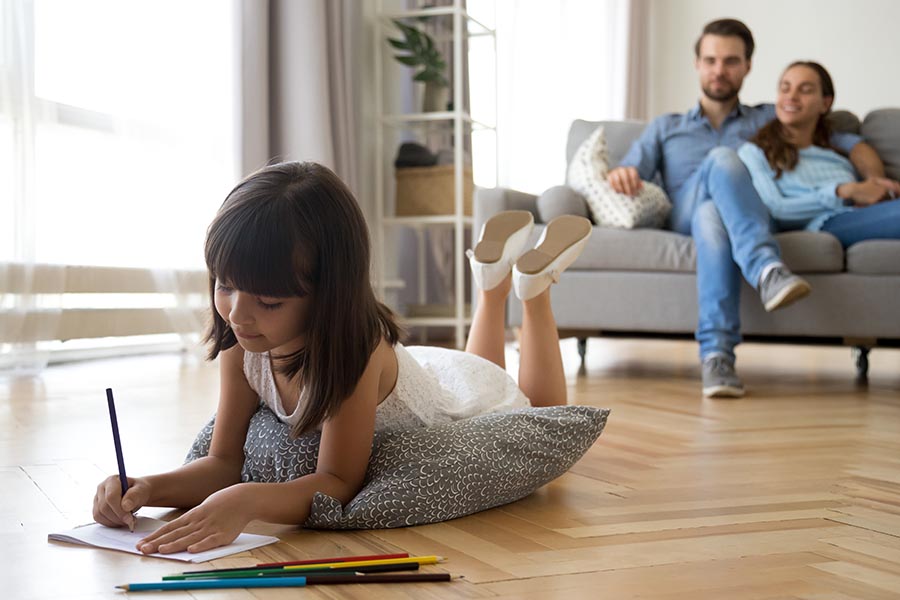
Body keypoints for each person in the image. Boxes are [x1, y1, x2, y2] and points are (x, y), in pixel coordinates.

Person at [92, 161, 592, 554]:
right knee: (479, 369)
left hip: (447, 407)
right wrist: (144, 487)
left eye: (268, 301)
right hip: (428, 372)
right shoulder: (240, 340)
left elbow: (338, 482)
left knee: (533, 403)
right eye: (225, 285)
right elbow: (223, 462)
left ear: (328, 294)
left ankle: (532, 291)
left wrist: (248, 500)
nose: (237, 313)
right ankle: (491, 285)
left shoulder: (354, 350)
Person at [605, 19, 888, 398]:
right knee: (720, 162)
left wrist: (874, 180)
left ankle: (717, 358)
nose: (719, 70)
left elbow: (849, 140)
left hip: (733, 220)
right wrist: (622, 173)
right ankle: (766, 269)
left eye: (730, 61)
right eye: (710, 60)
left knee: (713, 216)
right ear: (698, 64)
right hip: (683, 213)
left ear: (747, 66)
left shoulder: (769, 118)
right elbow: (627, 172)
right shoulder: (666, 127)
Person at [738, 61, 900, 245]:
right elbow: (778, 208)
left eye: (805, 90)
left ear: (825, 103)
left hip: (860, 214)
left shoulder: (836, 155)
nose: (791, 96)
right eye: (785, 89)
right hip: (826, 223)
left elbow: (863, 188)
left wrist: (881, 191)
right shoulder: (753, 152)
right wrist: (844, 191)